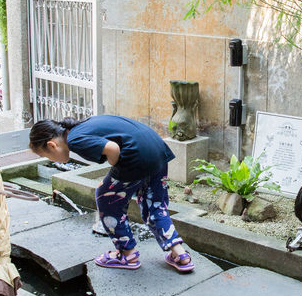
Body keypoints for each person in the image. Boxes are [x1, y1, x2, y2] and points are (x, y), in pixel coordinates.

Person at [29, 116, 195, 272]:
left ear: (52, 145)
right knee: (155, 205)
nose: (52, 161)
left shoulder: (74, 139)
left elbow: (112, 148)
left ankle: (127, 254)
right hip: (157, 150)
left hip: (137, 156)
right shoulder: (82, 127)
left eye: (47, 156)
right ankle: (180, 254)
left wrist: (116, 167)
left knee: (106, 199)